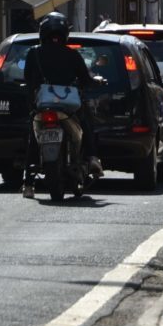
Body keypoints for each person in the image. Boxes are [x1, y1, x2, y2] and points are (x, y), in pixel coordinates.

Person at [24, 12, 103, 195]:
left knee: (34, 138)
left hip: (41, 104)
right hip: (69, 104)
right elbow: (85, 78)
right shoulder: (72, 55)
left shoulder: (33, 53)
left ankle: (28, 183)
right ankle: (92, 158)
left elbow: (28, 79)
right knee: (86, 122)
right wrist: (94, 81)